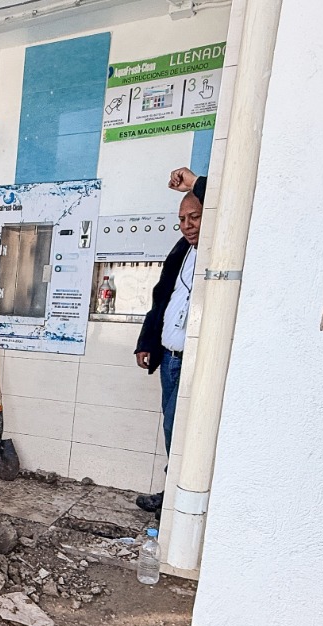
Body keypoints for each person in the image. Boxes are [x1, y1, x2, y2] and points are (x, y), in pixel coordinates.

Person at [133, 167, 206, 513]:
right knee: (171, 427)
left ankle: (178, 498)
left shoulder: (219, 249)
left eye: (195, 216)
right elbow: (162, 298)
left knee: (184, 431)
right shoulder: (182, 251)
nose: (188, 225)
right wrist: (147, 341)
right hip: (172, 357)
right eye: (182, 219)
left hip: (197, 360)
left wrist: (195, 184)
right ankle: (173, 492)